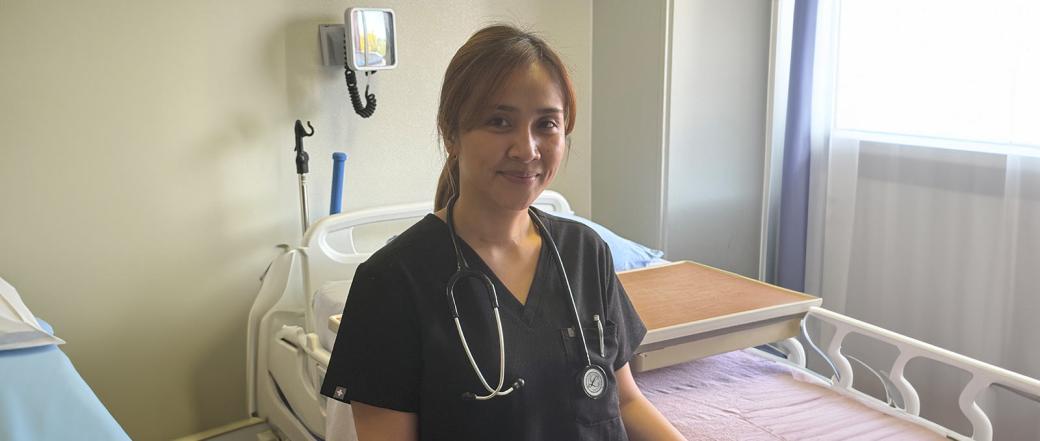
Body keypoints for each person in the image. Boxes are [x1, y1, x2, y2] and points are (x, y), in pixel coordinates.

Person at [321, 24, 686, 441]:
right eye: (499, 121)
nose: (527, 149)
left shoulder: (586, 252)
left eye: (546, 124)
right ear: (450, 132)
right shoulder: (392, 281)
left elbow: (624, 401)